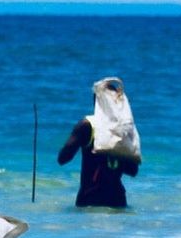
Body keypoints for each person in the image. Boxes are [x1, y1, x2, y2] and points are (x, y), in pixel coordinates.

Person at [57, 76, 141, 208]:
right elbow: (133, 170)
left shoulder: (86, 125)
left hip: (90, 199)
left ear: (97, 102)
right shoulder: (124, 129)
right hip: (117, 200)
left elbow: (63, 159)